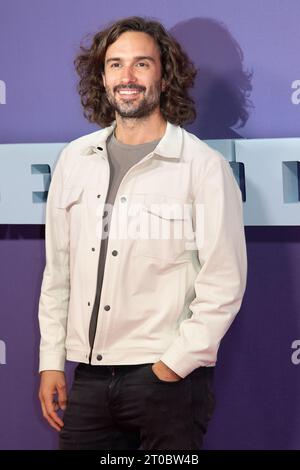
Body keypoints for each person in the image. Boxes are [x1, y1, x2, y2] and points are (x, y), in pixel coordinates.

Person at [38, 16, 247, 450]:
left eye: (141, 64)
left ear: (165, 76)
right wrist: (51, 361)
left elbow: (224, 279)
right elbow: (58, 272)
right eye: (115, 65)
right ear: (102, 77)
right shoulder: (74, 160)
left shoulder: (202, 166)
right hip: (89, 379)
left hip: (165, 380)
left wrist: (173, 367)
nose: (127, 77)